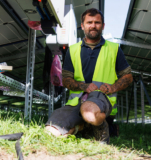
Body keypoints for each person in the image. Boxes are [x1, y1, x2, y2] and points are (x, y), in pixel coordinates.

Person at [45, 8, 133, 144]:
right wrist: (83, 86)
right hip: (76, 101)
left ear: (103, 26)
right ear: (82, 26)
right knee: (51, 131)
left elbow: (128, 76)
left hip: (102, 99)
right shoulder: (72, 50)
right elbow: (66, 79)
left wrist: (113, 87)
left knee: (89, 111)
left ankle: (101, 125)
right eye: (89, 22)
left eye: (97, 22)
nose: (93, 26)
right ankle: (83, 127)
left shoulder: (114, 49)